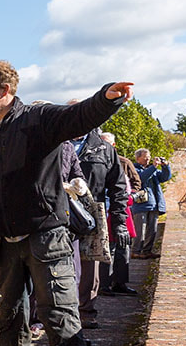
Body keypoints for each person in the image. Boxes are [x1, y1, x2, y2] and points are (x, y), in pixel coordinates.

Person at [0, 60, 131, 346]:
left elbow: (79, 116)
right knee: (10, 303)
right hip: (3, 236)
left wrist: (106, 98)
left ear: (5, 90)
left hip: (46, 231)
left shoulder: (39, 120)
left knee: (57, 302)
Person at [70, 109, 128, 330]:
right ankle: (59, 313)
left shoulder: (103, 148)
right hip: (59, 208)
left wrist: (119, 221)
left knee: (89, 266)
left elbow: (118, 187)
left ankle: (85, 311)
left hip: (92, 211)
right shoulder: (56, 142)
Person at [98, 132, 138, 296]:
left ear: (113, 146)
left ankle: (119, 282)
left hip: (122, 209)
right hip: (105, 210)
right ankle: (104, 284)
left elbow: (133, 184)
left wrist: (132, 196)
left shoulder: (123, 162)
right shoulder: (97, 161)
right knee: (108, 249)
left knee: (123, 248)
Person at [132, 148, 171, 259]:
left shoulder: (152, 169)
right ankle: (136, 251)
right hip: (141, 205)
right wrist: (154, 167)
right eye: (146, 156)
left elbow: (165, 177)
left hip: (154, 204)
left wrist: (165, 166)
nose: (148, 158)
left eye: (149, 156)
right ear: (138, 158)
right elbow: (141, 178)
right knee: (140, 230)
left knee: (152, 230)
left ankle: (147, 251)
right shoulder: (134, 169)